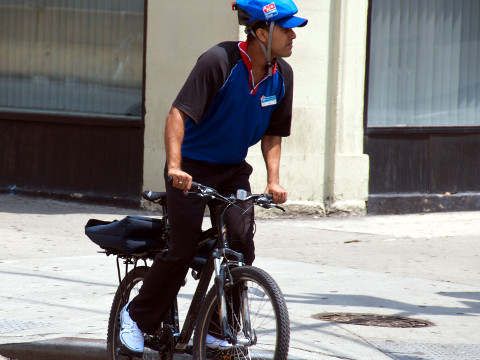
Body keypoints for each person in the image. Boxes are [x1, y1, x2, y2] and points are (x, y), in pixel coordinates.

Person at [118, 0, 308, 355]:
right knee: (183, 248)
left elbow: (273, 134)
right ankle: (136, 316)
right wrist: (175, 167)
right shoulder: (219, 62)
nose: (293, 36)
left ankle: (220, 327)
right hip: (191, 166)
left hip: (232, 167)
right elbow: (177, 115)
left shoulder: (282, 76)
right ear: (261, 33)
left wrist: (273, 180)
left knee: (240, 244)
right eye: (286, 29)